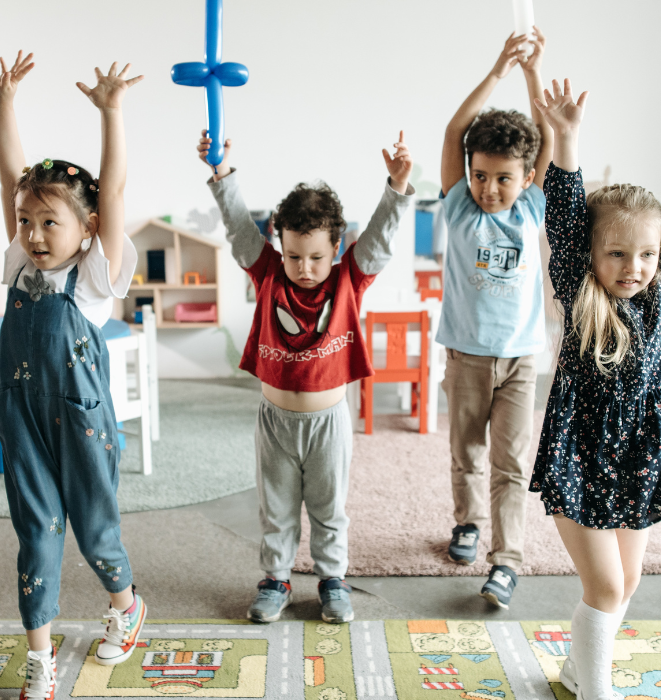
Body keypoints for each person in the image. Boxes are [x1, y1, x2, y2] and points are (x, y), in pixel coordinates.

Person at [529, 79, 661, 700]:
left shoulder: (660, 287)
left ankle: (575, 670)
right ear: (591, 256)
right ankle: (596, 690)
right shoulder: (579, 287)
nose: (634, 267)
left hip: (643, 453)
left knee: (625, 586)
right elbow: (567, 216)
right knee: (603, 589)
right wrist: (565, 140)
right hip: (583, 455)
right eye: (618, 253)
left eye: (646, 254)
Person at [199, 125, 415, 624]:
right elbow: (237, 229)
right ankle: (275, 579)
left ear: (337, 248)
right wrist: (221, 173)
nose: (304, 267)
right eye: (294, 255)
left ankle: (332, 580)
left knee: (328, 509)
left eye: (316, 256)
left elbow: (379, 242)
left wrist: (397, 188)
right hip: (275, 419)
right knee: (275, 510)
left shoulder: (349, 279)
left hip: (329, 422)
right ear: (280, 244)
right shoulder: (267, 271)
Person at [0, 52, 145, 699]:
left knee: (94, 528)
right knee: (36, 532)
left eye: (49, 221)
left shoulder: (90, 279)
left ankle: (126, 603)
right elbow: (9, 180)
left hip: (81, 420)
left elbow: (111, 192)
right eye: (27, 221)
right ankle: (40, 657)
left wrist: (111, 113)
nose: (32, 232)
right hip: (21, 416)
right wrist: (4, 103)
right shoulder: (20, 267)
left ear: (87, 231)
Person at [437, 28, 553, 609]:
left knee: (511, 462)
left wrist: (534, 74)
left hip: (521, 360)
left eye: (503, 177)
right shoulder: (459, 202)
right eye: (480, 175)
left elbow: (547, 139)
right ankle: (468, 523)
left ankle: (506, 561)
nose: (488, 187)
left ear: (526, 178)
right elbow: (456, 131)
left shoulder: (532, 205)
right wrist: (498, 69)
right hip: (466, 355)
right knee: (466, 452)